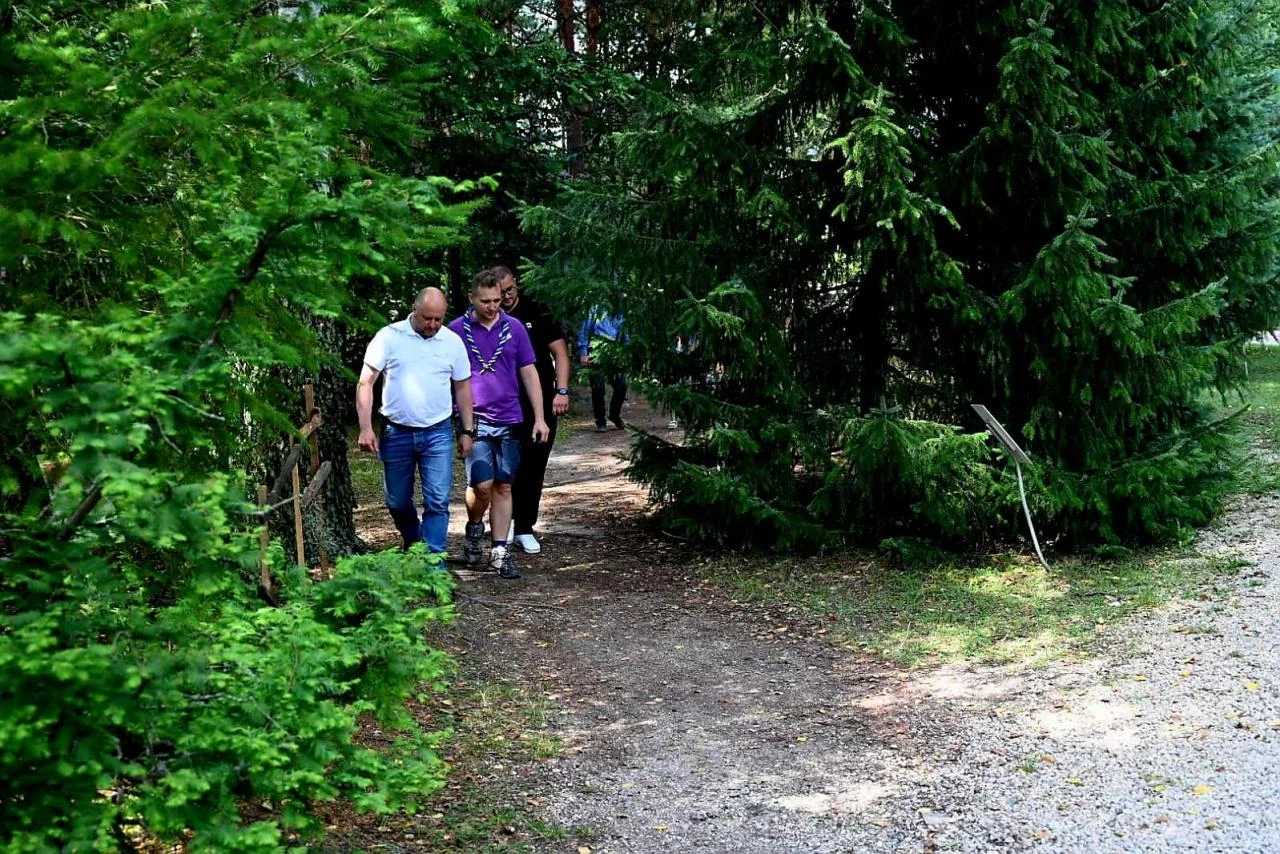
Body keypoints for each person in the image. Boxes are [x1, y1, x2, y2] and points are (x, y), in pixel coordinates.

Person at [356, 287, 475, 555]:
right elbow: (366, 382)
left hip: (438, 432)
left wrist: (467, 430)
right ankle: (413, 539)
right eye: (427, 318)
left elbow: (463, 388)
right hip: (396, 431)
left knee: (437, 501)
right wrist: (365, 427)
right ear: (414, 309)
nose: (432, 325)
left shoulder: (452, 342)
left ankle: (433, 563)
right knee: (397, 501)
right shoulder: (389, 337)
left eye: (438, 319)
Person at [448, 270, 550, 579]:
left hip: (509, 417)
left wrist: (540, 416)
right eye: (486, 301)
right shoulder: (456, 331)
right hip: (473, 418)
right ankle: (475, 526)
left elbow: (529, 372)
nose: (493, 306)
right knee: (481, 486)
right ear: (472, 298)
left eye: (497, 300)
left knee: (504, 485)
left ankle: (500, 552)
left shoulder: (514, 327)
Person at [494, 265, 571, 555]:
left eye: (511, 289)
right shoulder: (490, 314)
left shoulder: (537, 311)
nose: (507, 296)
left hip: (541, 401)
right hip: (504, 404)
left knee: (535, 463)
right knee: (506, 466)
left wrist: (561, 390)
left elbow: (560, 353)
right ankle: (506, 523)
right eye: (501, 293)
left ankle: (525, 525)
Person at [578, 307, 627, 432]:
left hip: (617, 351)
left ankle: (614, 415)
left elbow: (626, 332)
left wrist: (627, 351)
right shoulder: (595, 308)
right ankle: (600, 421)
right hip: (596, 349)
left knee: (622, 385)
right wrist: (584, 351)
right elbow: (585, 329)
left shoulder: (622, 309)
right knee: (598, 387)